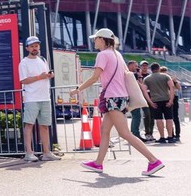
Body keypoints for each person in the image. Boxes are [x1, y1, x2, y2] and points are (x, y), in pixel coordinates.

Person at [70, 28, 164, 176]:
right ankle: (98, 163)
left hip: (112, 98)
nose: (94, 41)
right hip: (119, 97)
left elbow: (95, 77)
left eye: (96, 38)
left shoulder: (103, 55)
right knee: (104, 130)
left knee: (125, 133)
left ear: (102, 39)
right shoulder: (117, 54)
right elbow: (126, 74)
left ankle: (153, 161)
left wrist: (78, 89)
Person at [18, 35, 61, 162]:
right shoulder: (24, 63)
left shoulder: (42, 59)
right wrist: (40, 77)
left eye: (36, 45)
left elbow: (45, 75)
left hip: (45, 97)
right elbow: (23, 80)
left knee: (44, 125)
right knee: (29, 125)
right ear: (27, 48)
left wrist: (49, 75)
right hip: (32, 97)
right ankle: (29, 152)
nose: (34, 48)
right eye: (32, 46)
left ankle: (47, 152)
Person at [143, 63, 176, 143]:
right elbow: (171, 87)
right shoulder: (165, 76)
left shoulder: (147, 79)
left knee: (159, 119)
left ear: (151, 69)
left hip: (155, 100)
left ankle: (162, 137)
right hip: (166, 99)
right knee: (169, 119)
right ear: (158, 68)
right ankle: (170, 136)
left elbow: (144, 91)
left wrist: (150, 102)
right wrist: (171, 100)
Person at [126, 60, 146, 141]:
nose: (136, 67)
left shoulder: (128, 74)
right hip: (133, 97)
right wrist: (139, 76)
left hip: (129, 96)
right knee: (137, 116)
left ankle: (133, 133)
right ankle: (135, 134)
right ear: (130, 66)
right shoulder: (132, 74)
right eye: (135, 66)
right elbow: (141, 85)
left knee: (136, 115)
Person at [139, 60, 155, 141]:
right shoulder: (138, 75)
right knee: (147, 115)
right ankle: (147, 133)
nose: (144, 67)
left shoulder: (150, 76)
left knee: (152, 116)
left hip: (151, 96)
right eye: (143, 66)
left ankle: (150, 133)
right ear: (140, 66)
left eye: (146, 65)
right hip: (142, 97)